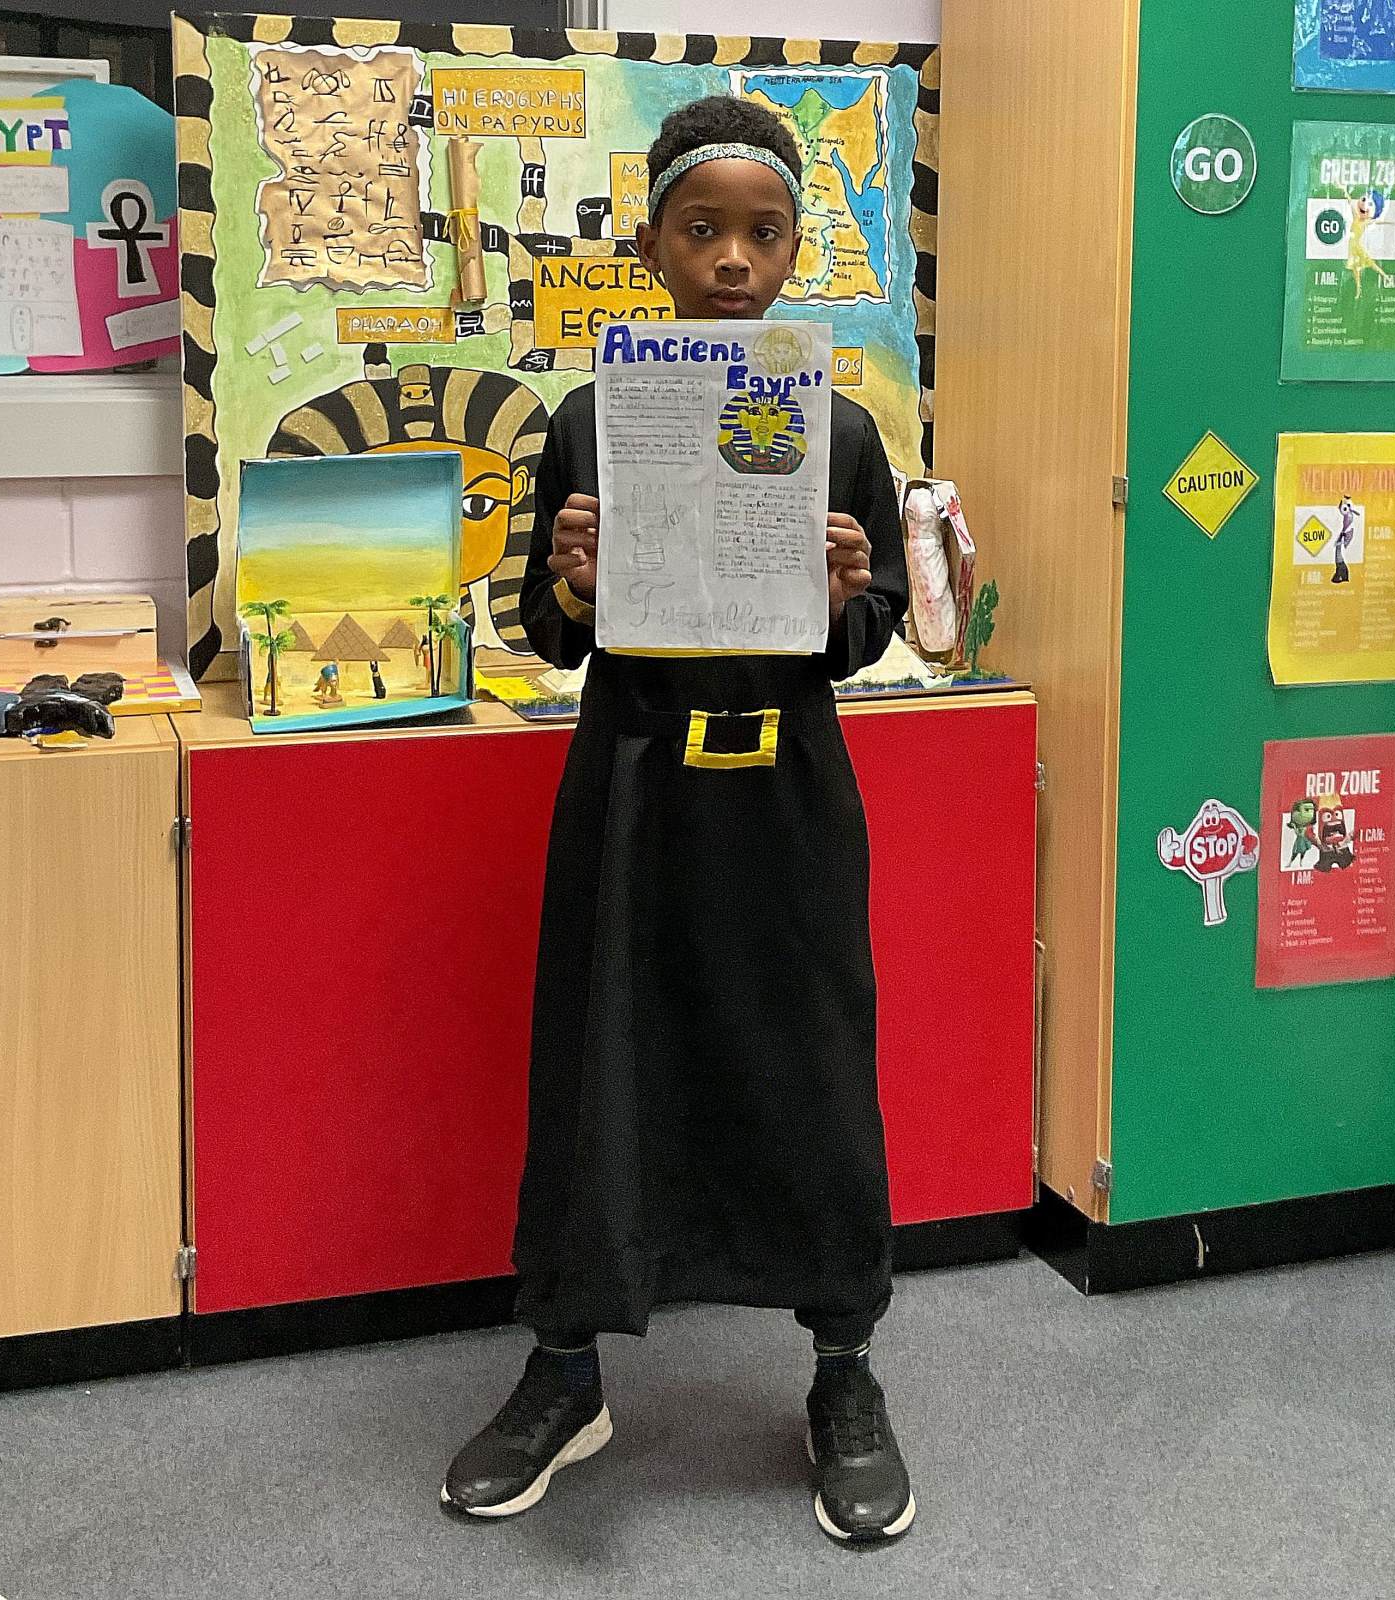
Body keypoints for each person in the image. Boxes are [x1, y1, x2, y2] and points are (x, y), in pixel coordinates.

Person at [442, 95, 914, 1546]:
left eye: (762, 234)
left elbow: (870, 634)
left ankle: (842, 1367)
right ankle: (566, 1367)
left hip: (785, 791)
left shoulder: (841, 427)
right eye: (700, 230)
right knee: (601, 1063)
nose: (731, 260)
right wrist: (572, 579)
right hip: (636, 787)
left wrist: (846, 589)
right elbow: (548, 629)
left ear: (794, 251)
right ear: (649, 243)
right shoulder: (593, 418)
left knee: (812, 1064)